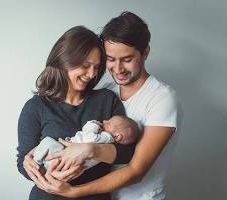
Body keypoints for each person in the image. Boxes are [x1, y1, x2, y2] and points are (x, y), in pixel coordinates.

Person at [32, 11, 178, 200]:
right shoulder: (107, 92)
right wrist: (32, 160)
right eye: (110, 59)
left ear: (145, 52)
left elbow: (136, 169)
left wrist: (73, 191)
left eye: (127, 59)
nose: (118, 69)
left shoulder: (162, 98)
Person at [17, 26, 136, 200]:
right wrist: (39, 171)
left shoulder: (106, 100)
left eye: (96, 67)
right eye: (86, 65)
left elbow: (128, 152)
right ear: (64, 60)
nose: (91, 74)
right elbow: (23, 160)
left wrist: (90, 149)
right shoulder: (35, 107)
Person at [34, 115, 139, 170]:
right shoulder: (105, 139)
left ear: (117, 136)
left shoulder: (106, 138)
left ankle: (36, 163)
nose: (105, 121)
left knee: (47, 141)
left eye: (109, 123)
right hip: (62, 162)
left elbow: (88, 138)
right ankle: (38, 164)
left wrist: (93, 124)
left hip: (62, 159)